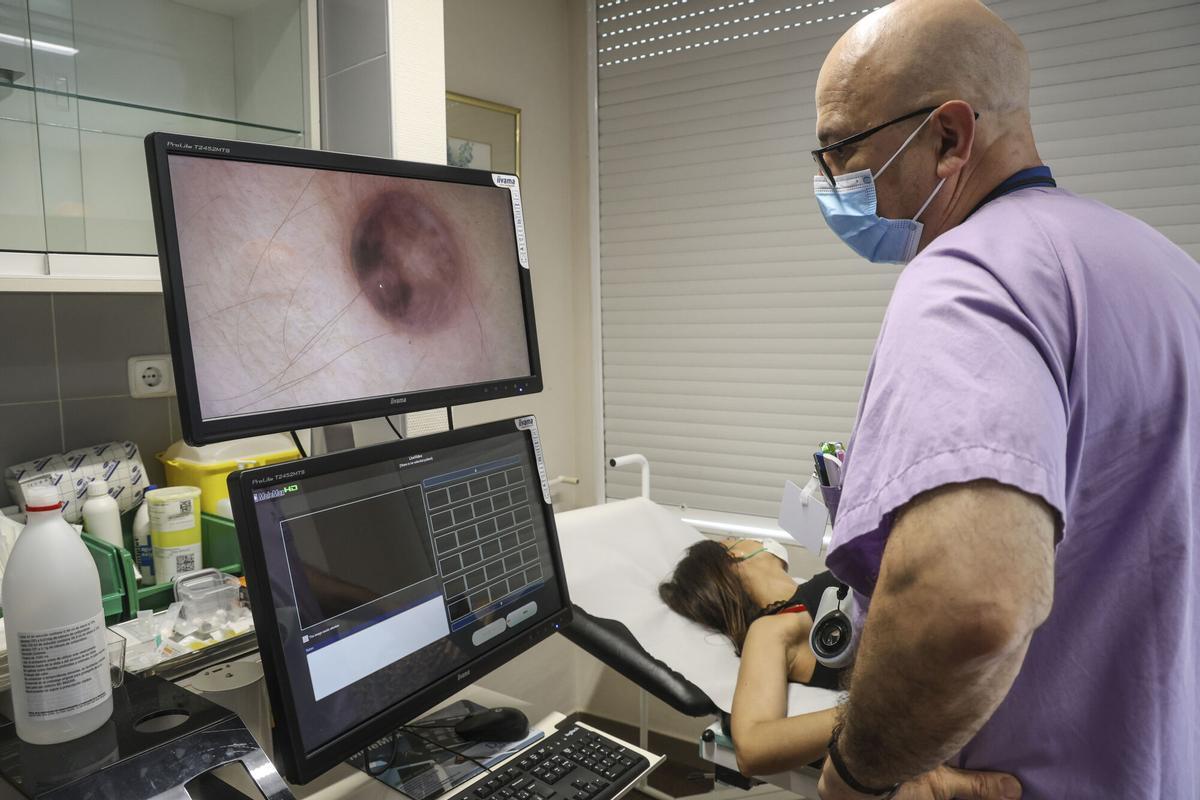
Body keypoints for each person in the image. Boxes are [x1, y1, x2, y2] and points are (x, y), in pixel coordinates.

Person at [787, 0, 1200, 797]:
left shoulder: (965, 280)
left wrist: (854, 778)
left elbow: (965, 605)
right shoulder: (1167, 271)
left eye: (840, 148)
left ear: (948, 136)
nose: (828, 180)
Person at [660, 537, 1023, 799]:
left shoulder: (815, 588)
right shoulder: (774, 626)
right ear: (734, 556)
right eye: (736, 538)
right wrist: (874, 712)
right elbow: (752, 747)